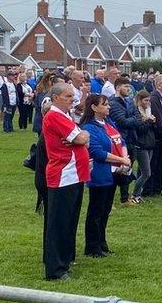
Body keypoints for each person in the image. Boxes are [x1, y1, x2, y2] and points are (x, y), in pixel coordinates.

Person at [42, 83, 91, 281]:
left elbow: (82, 137)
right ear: (55, 98)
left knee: (69, 220)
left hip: (74, 174)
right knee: (59, 223)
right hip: (63, 175)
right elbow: (80, 138)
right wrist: (80, 136)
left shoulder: (66, 116)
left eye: (73, 96)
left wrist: (81, 136)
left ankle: (65, 258)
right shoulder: (54, 115)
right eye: (67, 96)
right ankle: (55, 268)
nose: (72, 99)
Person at [81, 94, 130, 257]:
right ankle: (92, 246)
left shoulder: (109, 123)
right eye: (105, 104)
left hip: (114, 172)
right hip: (100, 174)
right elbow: (97, 152)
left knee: (106, 210)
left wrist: (124, 157)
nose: (109, 107)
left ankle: (102, 243)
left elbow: (120, 141)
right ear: (94, 107)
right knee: (96, 211)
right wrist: (121, 159)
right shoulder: (89, 127)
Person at [129, 90, 157, 204]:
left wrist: (152, 121)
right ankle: (135, 194)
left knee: (143, 172)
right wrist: (149, 121)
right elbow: (140, 129)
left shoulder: (147, 110)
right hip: (140, 145)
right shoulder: (137, 112)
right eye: (146, 100)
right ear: (139, 100)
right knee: (146, 173)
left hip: (149, 143)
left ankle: (138, 194)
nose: (148, 103)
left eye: (149, 100)